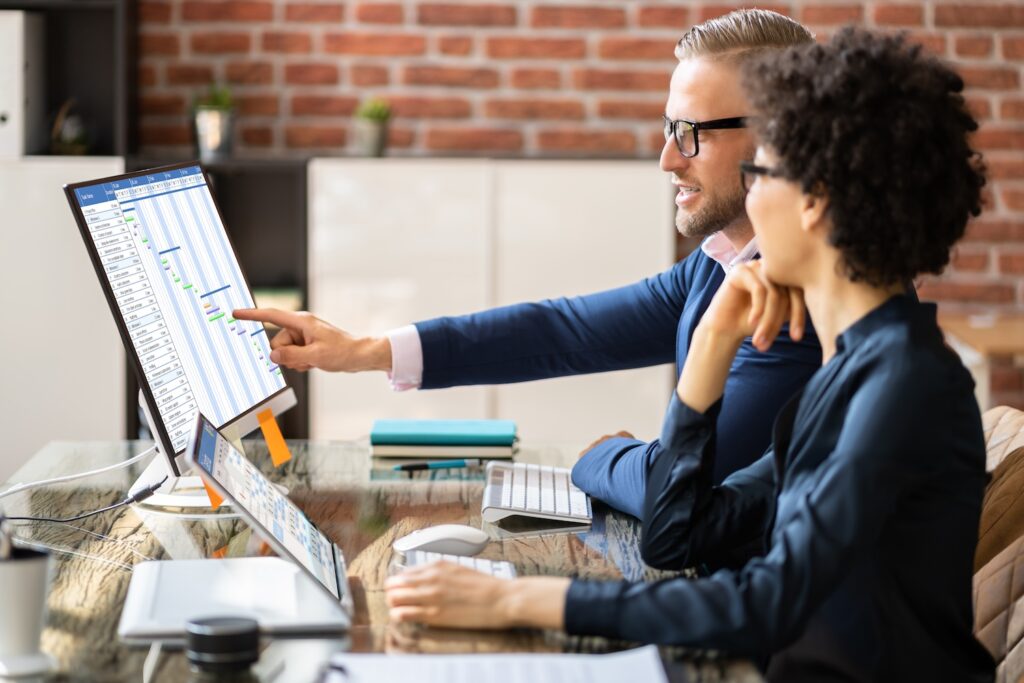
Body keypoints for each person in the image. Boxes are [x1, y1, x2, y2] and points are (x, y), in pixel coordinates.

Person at [384, 28, 995, 681]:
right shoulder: (850, 371)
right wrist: (708, 347)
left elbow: (771, 601)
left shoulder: (904, 382)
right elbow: (678, 533)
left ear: (814, 199)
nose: (753, 197)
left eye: (763, 172)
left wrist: (513, 596)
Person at [233, 10, 823, 518]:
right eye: (670, 128)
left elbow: (673, 485)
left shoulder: (795, 297)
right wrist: (363, 350)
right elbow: (565, 329)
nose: (668, 158)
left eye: (691, 133)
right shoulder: (722, 261)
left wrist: (599, 457)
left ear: (779, 140)